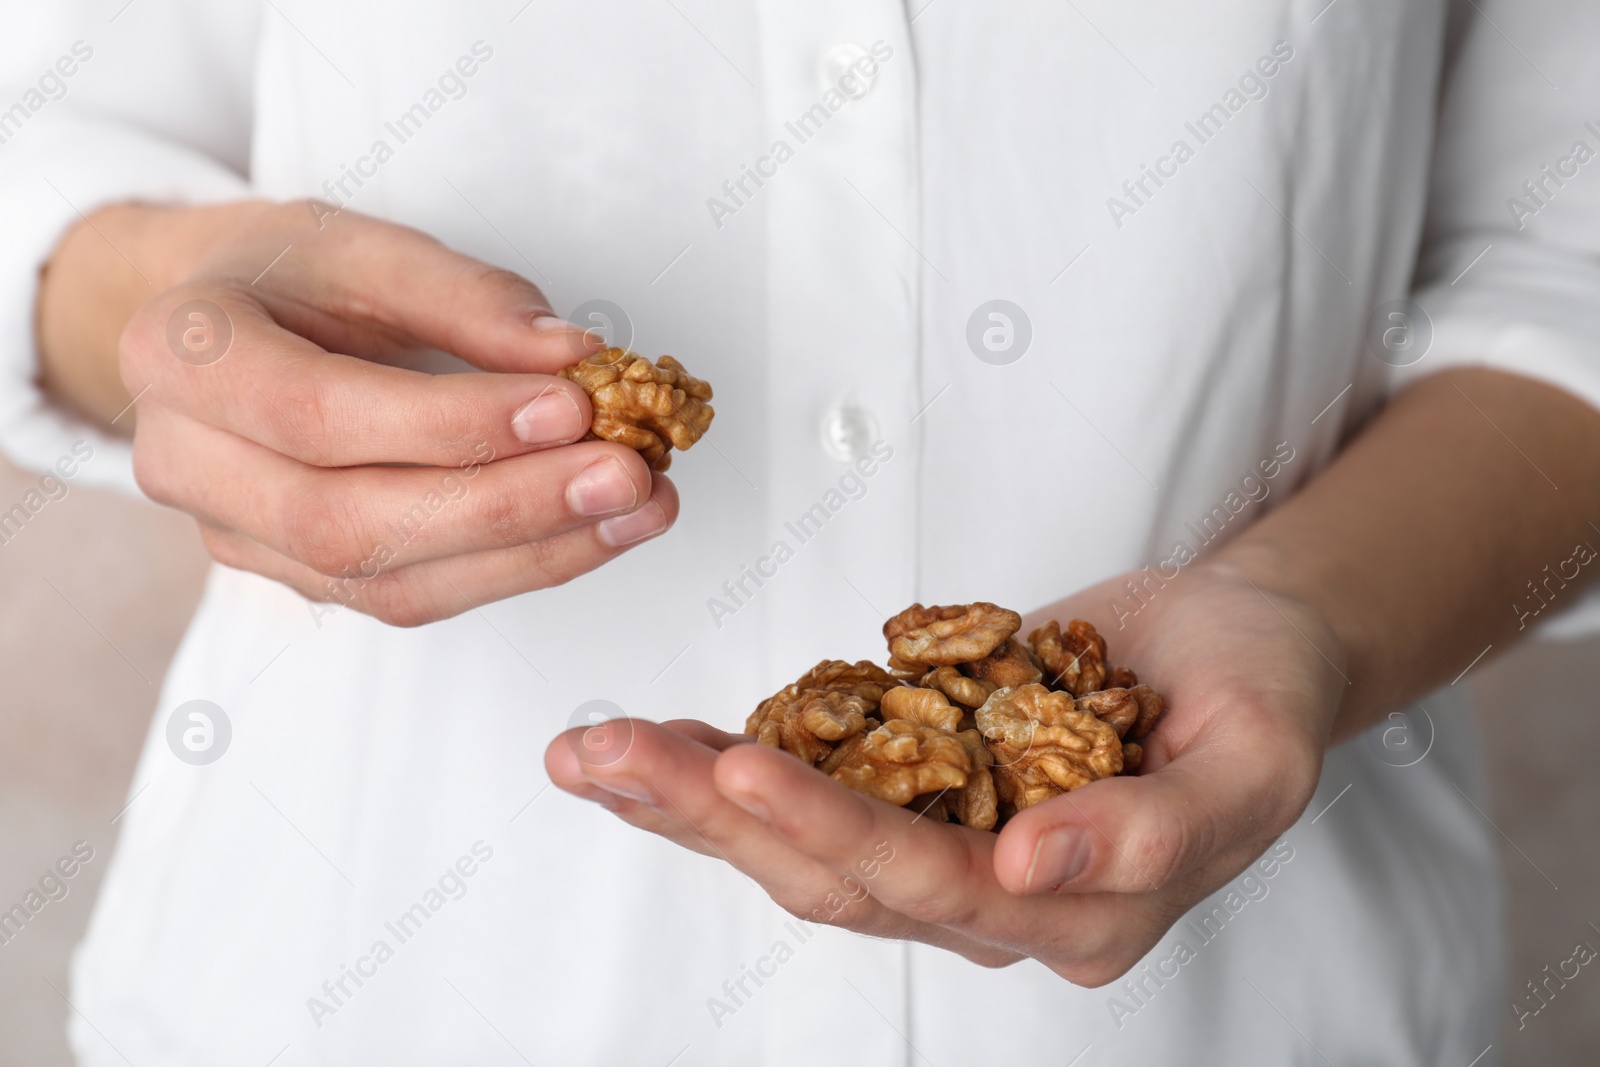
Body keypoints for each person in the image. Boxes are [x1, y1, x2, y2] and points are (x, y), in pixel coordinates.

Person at [5, 1, 1599, 1063]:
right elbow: (47, 139)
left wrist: (1302, 616)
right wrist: (191, 333)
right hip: (382, 977)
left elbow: (1570, 262)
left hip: (1252, 1006)